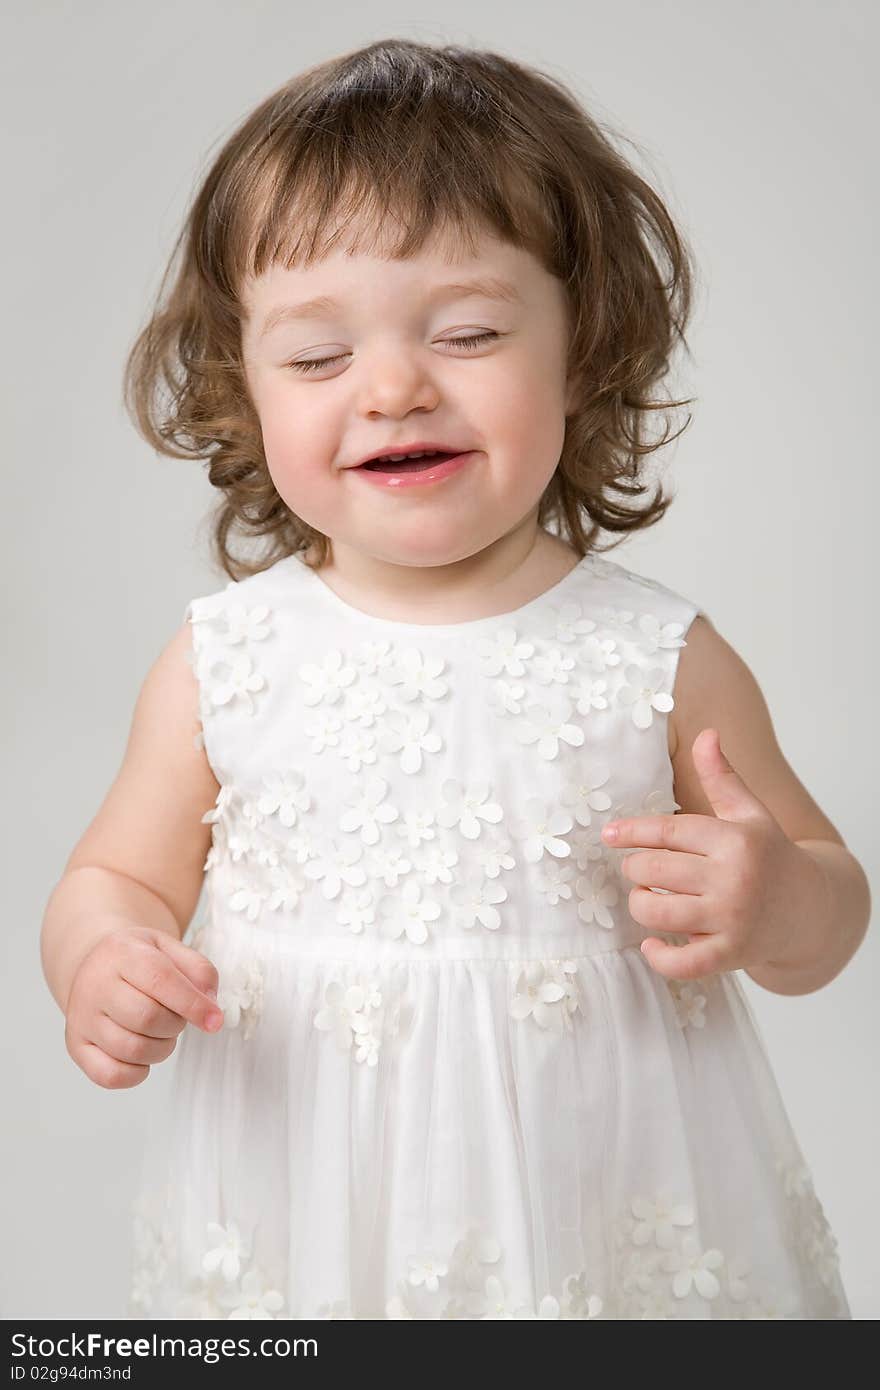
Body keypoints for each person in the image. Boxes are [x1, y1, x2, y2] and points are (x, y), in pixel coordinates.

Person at [39, 37, 870, 1321]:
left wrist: (772, 903)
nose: (391, 387)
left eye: (469, 331)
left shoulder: (657, 656)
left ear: (582, 344)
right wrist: (104, 958)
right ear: (241, 380)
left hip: (607, 1209)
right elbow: (118, 877)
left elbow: (827, 902)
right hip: (311, 1205)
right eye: (317, 359)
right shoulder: (227, 660)